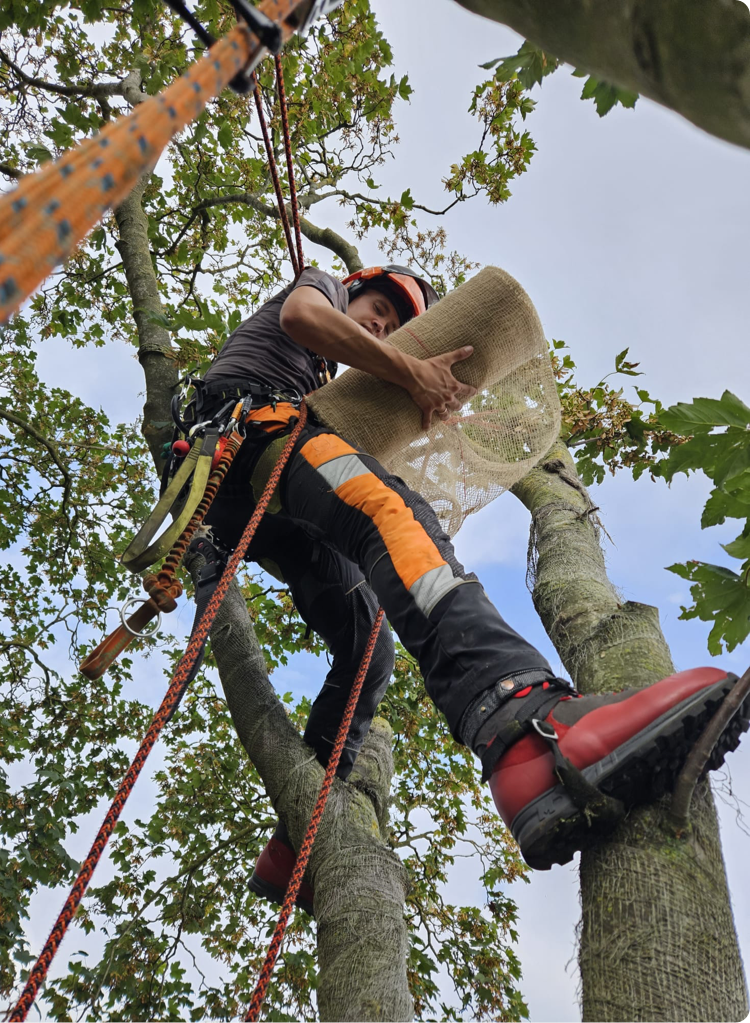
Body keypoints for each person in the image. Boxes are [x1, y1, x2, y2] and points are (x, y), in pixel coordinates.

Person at [192, 264, 747, 913]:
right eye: (377, 307)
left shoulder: (321, 382)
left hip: (257, 490)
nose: (382, 324)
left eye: (397, 327)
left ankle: (295, 843)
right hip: (254, 433)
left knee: (368, 642)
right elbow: (303, 318)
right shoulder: (319, 291)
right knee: (389, 514)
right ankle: (520, 721)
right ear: (354, 287)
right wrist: (411, 372)